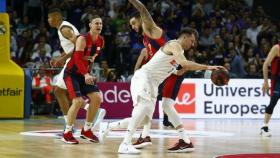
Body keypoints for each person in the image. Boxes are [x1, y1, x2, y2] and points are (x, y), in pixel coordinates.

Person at [117, 27, 222, 154]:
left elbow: (176, 70)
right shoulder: (174, 45)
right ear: (185, 37)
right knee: (142, 109)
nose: (193, 45)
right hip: (144, 77)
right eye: (192, 41)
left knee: (144, 118)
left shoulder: (179, 52)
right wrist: (208, 67)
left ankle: (113, 129)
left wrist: (180, 71)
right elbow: (185, 64)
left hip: (152, 84)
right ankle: (125, 143)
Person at [47, 9, 105, 134]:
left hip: (74, 62)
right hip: (75, 60)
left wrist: (61, 60)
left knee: (58, 92)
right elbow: (72, 46)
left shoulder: (64, 29)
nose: (48, 20)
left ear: (56, 17)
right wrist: (60, 58)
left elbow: (78, 47)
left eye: (50, 18)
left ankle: (71, 125)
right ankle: (88, 110)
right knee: (63, 92)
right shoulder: (64, 27)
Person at [61, 15, 104, 144]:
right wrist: (86, 74)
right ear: (90, 25)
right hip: (72, 74)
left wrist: (88, 72)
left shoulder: (101, 41)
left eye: (101, 23)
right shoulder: (82, 39)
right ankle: (67, 133)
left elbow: (90, 59)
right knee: (78, 101)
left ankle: (87, 130)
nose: (99, 25)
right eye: (96, 23)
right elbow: (78, 59)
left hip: (84, 74)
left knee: (97, 98)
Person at [261, 43, 280, 137]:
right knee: (273, 102)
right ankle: (264, 127)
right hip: (277, 80)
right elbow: (265, 65)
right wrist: (266, 82)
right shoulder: (277, 48)